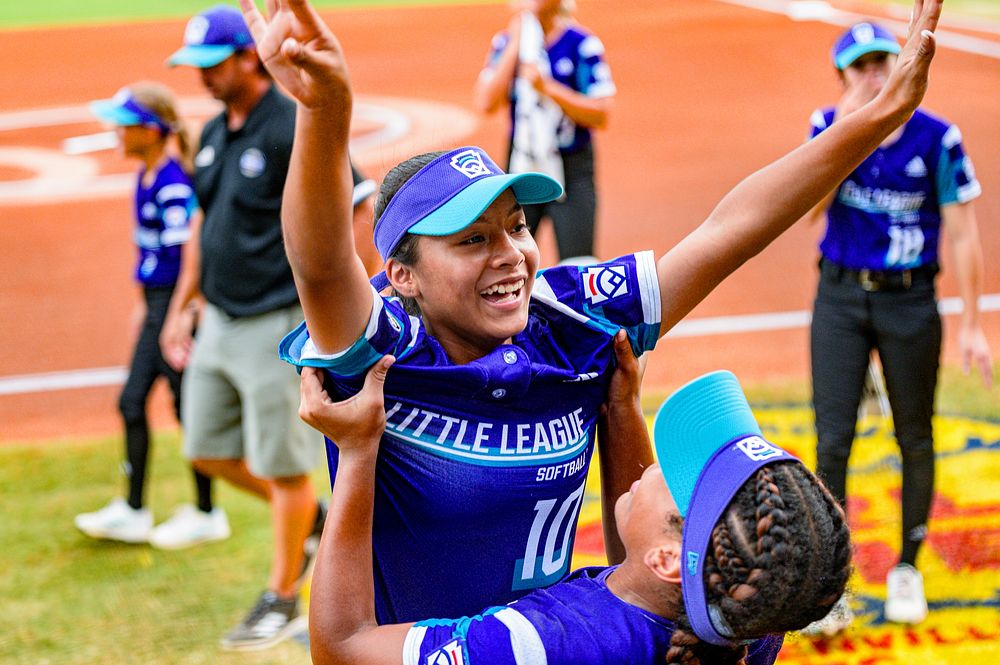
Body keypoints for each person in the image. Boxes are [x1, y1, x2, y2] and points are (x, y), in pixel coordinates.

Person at [238, 0, 941, 627]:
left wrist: (876, 118)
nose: (511, 252)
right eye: (472, 239)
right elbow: (323, 263)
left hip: (560, 642)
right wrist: (324, 109)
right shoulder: (384, 349)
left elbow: (732, 230)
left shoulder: (572, 316)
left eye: (516, 225)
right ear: (401, 276)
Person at [298, 354, 851, 665]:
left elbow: (341, 650)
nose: (656, 468)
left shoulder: (542, 645)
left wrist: (356, 451)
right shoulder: (749, 614)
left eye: (676, 473)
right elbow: (638, 571)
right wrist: (621, 411)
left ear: (667, 558)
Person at [158, 5, 373, 650]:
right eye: (195, 67)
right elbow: (204, 226)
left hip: (274, 320)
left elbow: (355, 202)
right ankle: (311, 517)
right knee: (205, 447)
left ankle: (283, 597)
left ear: (249, 56)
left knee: (282, 467)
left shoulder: (286, 124)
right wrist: (184, 305)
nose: (203, 78)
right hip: (220, 318)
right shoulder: (216, 134)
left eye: (212, 64)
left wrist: (334, 304)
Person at [802, 20, 993, 633]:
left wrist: (971, 323)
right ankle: (832, 584)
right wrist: (844, 131)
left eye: (883, 61)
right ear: (841, 79)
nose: (875, 74)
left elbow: (962, 232)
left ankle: (907, 564)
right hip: (839, 298)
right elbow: (808, 211)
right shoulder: (826, 130)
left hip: (910, 303)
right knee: (832, 439)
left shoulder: (939, 139)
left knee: (915, 433)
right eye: (860, 67)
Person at [74, 82, 229, 549]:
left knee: (178, 407)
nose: (114, 133)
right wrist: (145, 307)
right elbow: (151, 254)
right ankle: (147, 509)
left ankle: (198, 511)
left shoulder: (172, 185)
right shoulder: (145, 177)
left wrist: (178, 314)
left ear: (151, 129)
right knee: (150, 403)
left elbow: (189, 256)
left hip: (174, 308)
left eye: (123, 125)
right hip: (159, 306)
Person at [473, 0, 615, 263]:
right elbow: (486, 102)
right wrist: (517, 44)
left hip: (572, 168)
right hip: (522, 164)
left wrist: (546, 87)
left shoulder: (581, 44)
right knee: (509, 258)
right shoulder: (507, 43)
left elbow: (600, 112)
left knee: (578, 265)